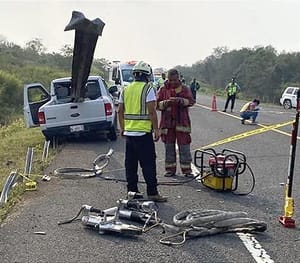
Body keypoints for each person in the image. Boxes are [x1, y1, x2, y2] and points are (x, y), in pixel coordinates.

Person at [118, 61, 167, 202]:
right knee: (148, 164)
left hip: (129, 134)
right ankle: (152, 192)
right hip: (143, 134)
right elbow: (152, 111)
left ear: (134, 75)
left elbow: (120, 111)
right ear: (147, 75)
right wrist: (156, 130)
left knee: (130, 165)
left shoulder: (125, 89)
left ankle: (132, 191)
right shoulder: (148, 89)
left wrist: (122, 128)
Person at [157, 68, 195, 177]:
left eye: (174, 80)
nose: (172, 82)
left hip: (182, 123)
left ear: (178, 78)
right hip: (167, 124)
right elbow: (156, 104)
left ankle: (187, 170)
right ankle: (170, 169)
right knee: (169, 147)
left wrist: (181, 101)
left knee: (184, 147)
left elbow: (191, 101)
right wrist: (165, 103)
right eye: (170, 80)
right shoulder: (163, 89)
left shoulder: (184, 89)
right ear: (167, 79)